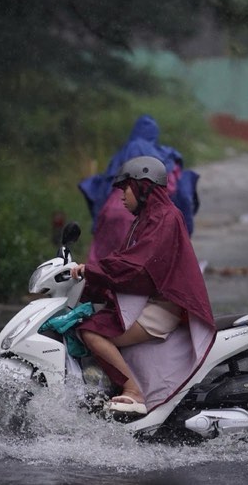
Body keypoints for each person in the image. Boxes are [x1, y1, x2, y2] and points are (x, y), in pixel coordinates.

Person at [70, 156, 214, 416]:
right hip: (147, 302)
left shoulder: (164, 219)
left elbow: (137, 266)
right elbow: (125, 260)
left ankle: (133, 392)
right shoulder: (147, 219)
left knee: (91, 331)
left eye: (126, 188)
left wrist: (93, 271)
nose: (122, 196)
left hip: (160, 308)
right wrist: (93, 274)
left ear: (143, 187)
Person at [79, 115, 199, 269]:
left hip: (110, 212)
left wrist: (98, 218)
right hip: (139, 213)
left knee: (103, 263)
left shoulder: (121, 154)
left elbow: (104, 186)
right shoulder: (163, 158)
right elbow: (176, 191)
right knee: (136, 265)